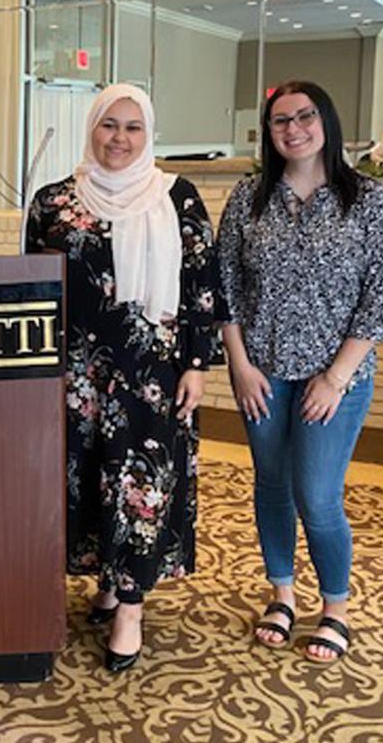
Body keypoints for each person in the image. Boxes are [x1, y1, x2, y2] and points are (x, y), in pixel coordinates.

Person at [25, 83, 224, 673]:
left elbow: (202, 288)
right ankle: (106, 583)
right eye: (109, 125)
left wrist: (197, 364)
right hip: (77, 374)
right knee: (87, 481)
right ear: (92, 128)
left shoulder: (176, 197)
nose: (120, 138)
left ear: (149, 133)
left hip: (152, 374)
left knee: (140, 486)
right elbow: (34, 288)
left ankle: (130, 606)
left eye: (133, 127)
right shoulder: (53, 202)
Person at [217, 81, 383, 663]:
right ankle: (282, 593)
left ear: (326, 120)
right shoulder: (249, 198)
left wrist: (336, 376)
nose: (293, 128)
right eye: (279, 120)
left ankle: (334, 607)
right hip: (261, 374)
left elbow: (378, 293)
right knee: (271, 486)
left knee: (317, 495)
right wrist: (238, 364)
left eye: (304, 115)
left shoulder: (367, 198)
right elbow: (225, 285)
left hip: (333, 380)